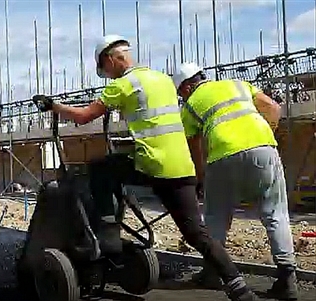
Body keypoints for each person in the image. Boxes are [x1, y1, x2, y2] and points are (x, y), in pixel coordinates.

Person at [32, 35, 258, 301]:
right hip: (181, 168)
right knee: (197, 233)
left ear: (110, 59)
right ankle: (239, 288)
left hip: (152, 164)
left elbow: (83, 117)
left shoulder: (123, 84)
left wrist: (52, 106)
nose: (107, 76)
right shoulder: (162, 80)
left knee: (100, 169)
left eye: (104, 71)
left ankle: (107, 233)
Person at [172, 62, 298, 300]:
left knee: (215, 216)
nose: (181, 97)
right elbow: (272, 107)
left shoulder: (190, 107)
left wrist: (200, 178)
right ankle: (288, 279)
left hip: (222, 157)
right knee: (275, 214)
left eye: (180, 92)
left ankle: (212, 271)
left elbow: (194, 146)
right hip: (263, 149)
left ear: (187, 86)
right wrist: (264, 137)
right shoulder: (238, 84)